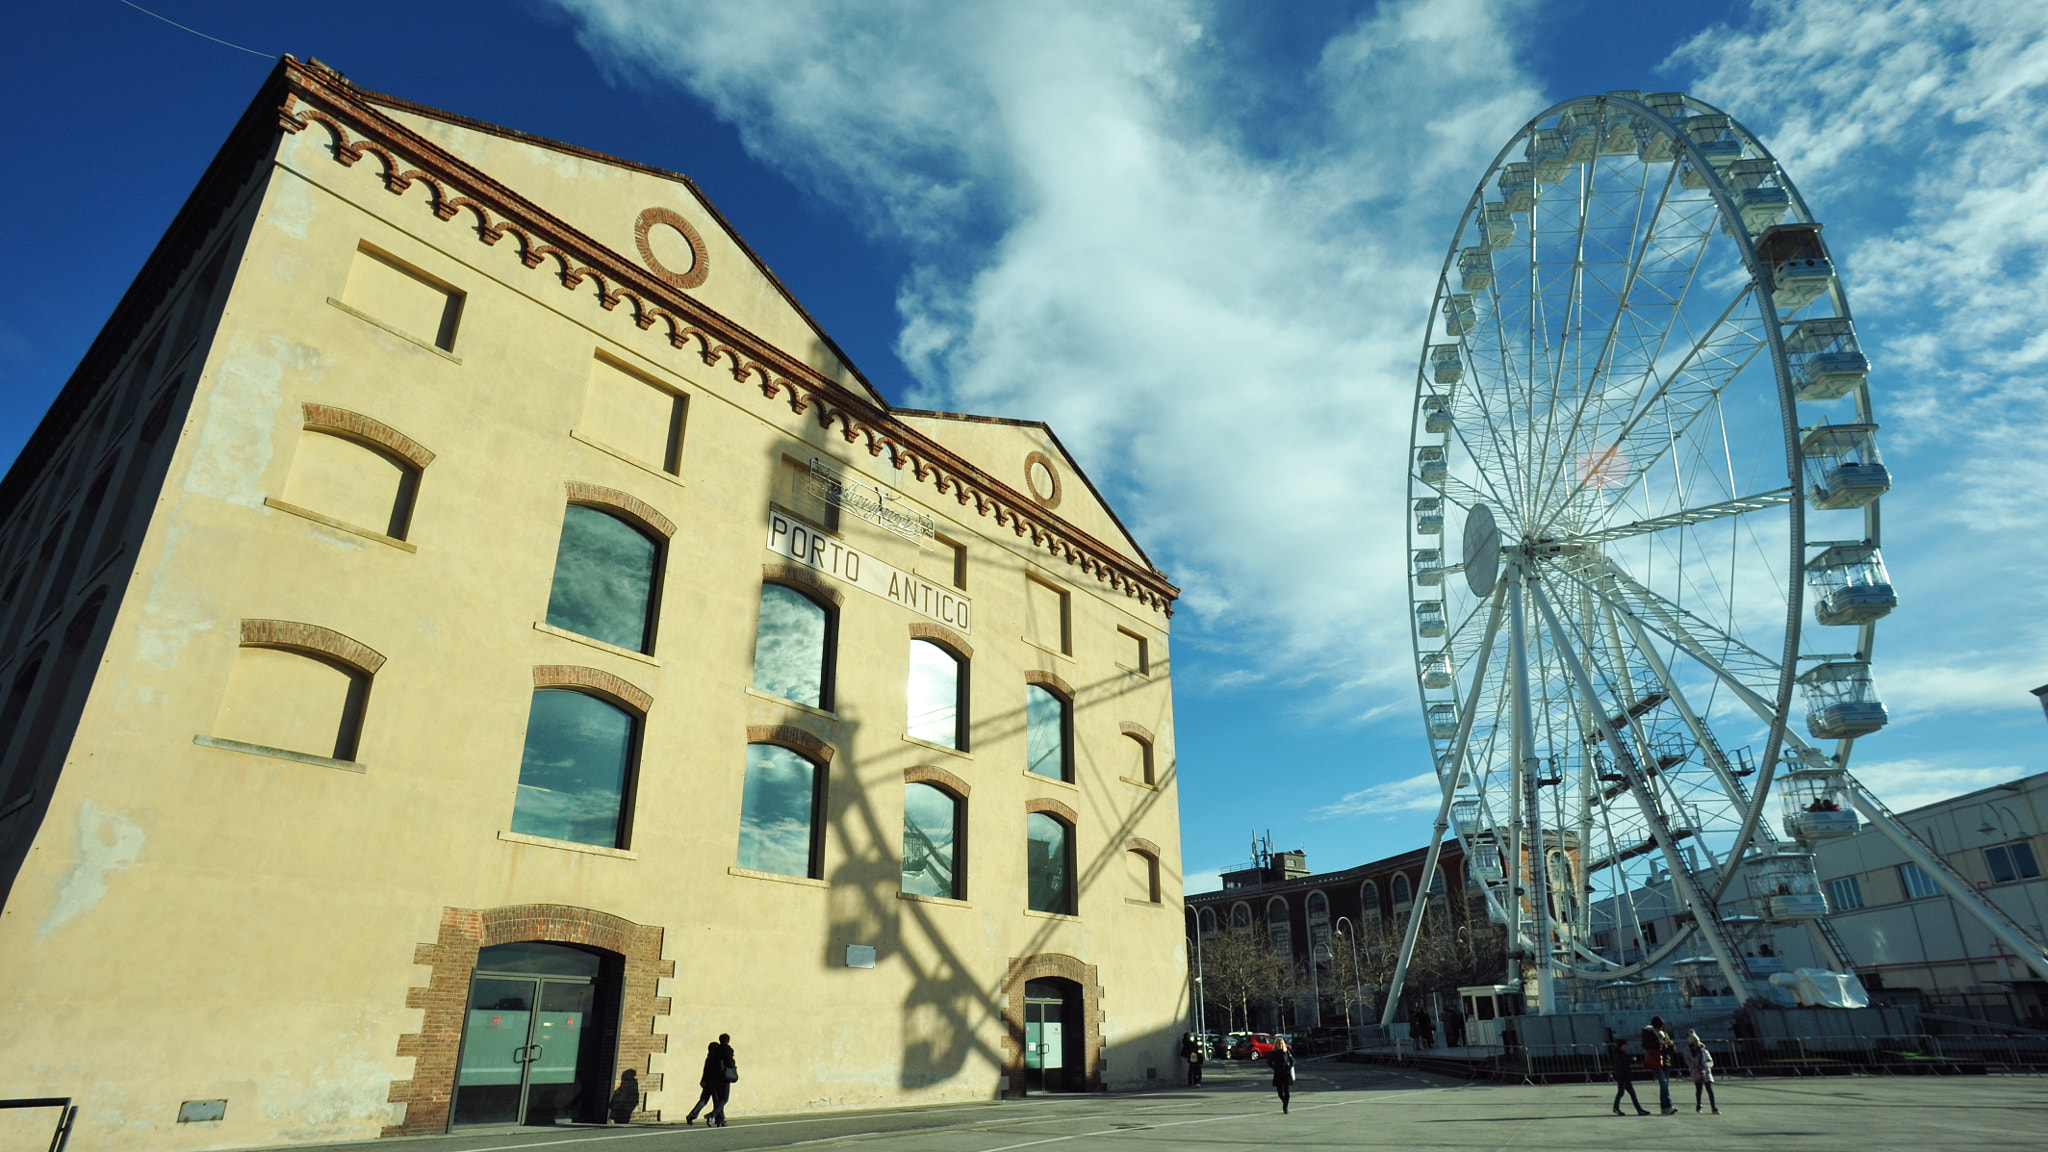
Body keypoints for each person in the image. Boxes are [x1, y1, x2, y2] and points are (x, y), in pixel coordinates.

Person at [684, 1033, 736, 1127]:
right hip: (715, 1081)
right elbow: (730, 1063)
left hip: (709, 1081)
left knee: (704, 1100)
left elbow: (706, 1070)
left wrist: (703, 1080)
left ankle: (692, 1116)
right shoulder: (721, 1054)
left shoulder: (710, 1057)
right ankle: (718, 1118)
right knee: (719, 1100)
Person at [1640, 1017, 1676, 1115]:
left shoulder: (1665, 1034)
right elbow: (1645, 1045)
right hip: (1655, 1060)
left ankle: (1664, 1108)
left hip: (1666, 1060)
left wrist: (1671, 1045)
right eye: (1659, 1027)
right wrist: (1658, 1043)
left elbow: (1671, 1050)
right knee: (1664, 1083)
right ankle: (1669, 1106)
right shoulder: (1647, 1032)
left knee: (1664, 1085)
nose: (1661, 1028)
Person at [1609, 1036, 1650, 1116]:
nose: (1626, 1046)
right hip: (1622, 1077)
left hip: (1625, 1076)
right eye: (1625, 1045)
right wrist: (1631, 1060)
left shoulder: (1621, 1054)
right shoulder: (1618, 1055)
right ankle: (1616, 1107)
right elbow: (1622, 1064)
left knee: (1630, 1093)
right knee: (1622, 1093)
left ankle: (1638, 1109)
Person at [1685, 1030, 1720, 1114]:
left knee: (1710, 1089)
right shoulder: (1688, 1051)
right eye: (1695, 1041)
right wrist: (1694, 1067)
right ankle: (1699, 1105)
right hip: (1696, 1071)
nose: (1697, 1043)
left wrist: (1705, 1065)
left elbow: (1710, 1061)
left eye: (1697, 1041)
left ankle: (1714, 1107)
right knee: (1699, 1089)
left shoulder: (1704, 1050)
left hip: (1706, 1072)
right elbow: (1687, 1060)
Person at [1267, 1037, 1296, 1114]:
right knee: (1280, 1092)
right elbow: (1269, 1062)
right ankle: (1284, 1102)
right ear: (1276, 1044)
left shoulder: (1286, 1052)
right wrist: (1274, 1068)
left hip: (1286, 1073)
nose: (1280, 1045)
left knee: (1286, 1091)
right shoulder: (1274, 1053)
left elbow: (1293, 1061)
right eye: (1278, 1043)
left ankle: (1285, 1107)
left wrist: (1289, 1068)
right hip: (1278, 1074)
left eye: (1281, 1043)